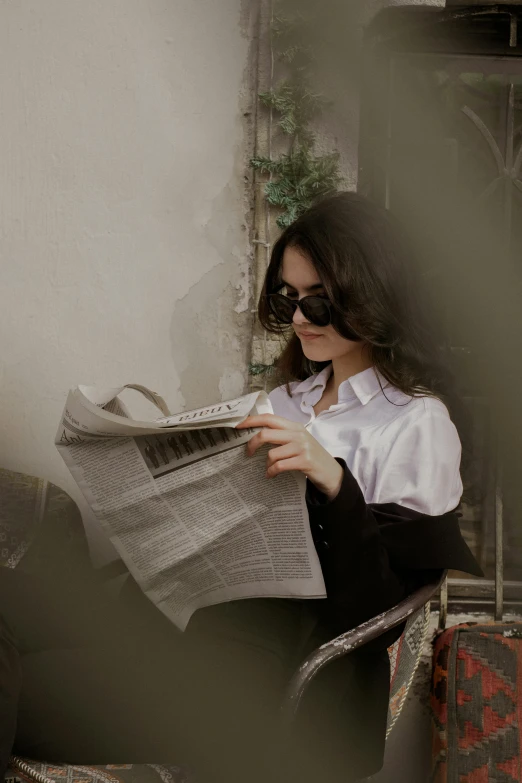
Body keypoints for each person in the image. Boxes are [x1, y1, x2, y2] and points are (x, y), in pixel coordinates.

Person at [1, 192, 481, 783]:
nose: (300, 319)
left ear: (372, 299)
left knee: (24, 688)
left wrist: (336, 484)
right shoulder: (284, 401)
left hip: (251, 682)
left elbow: (378, 617)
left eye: (320, 303)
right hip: (170, 626)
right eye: (289, 297)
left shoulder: (415, 424)